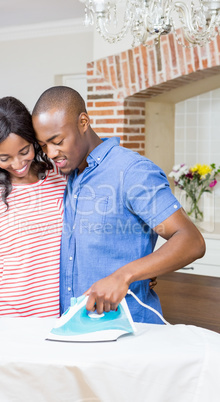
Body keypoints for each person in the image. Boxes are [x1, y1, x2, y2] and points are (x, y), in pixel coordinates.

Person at [31, 85, 206, 323]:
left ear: (83, 122)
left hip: (128, 329)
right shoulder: (70, 174)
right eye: (44, 146)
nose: (51, 153)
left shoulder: (132, 171)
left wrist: (124, 276)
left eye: (57, 141)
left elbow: (191, 240)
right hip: (75, 327)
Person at [0, 96, 67, 338]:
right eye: (4, 158)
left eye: (24, 151)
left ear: (34, 141)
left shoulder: (59, 176)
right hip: (8, 314)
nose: (18, 164)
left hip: (62, 312)